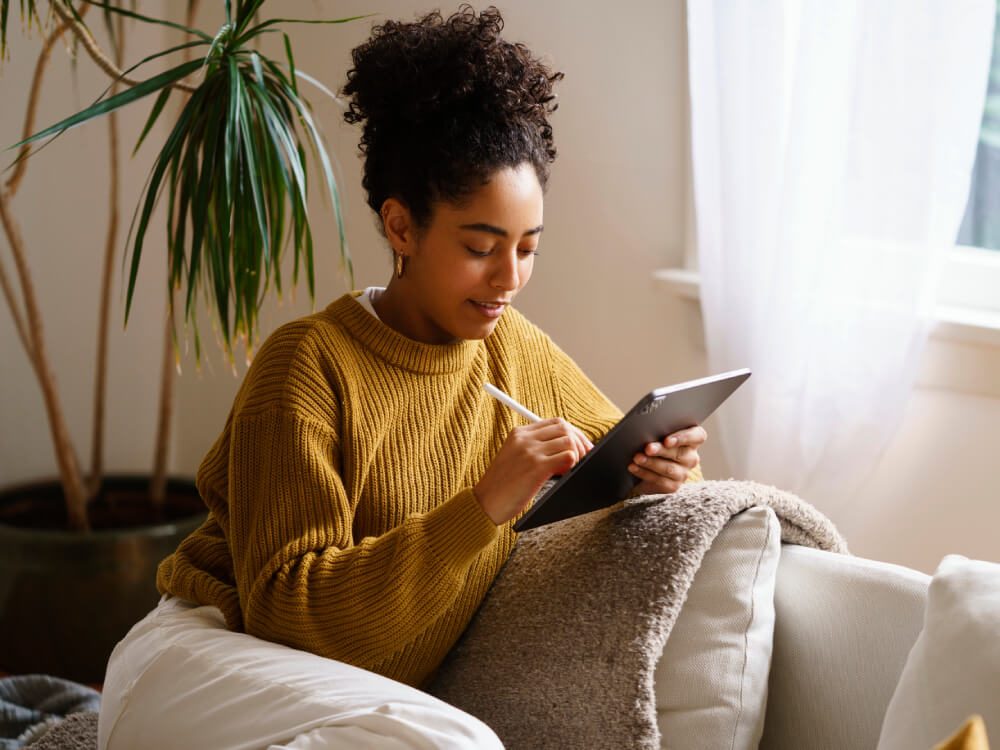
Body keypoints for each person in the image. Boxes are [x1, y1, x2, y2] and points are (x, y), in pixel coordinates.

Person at [97, 6, 707, 749]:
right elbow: (288, 613)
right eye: (482, 246)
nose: (509, 277)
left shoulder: (514, 348)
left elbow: (624, 457)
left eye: (527, 248)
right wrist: (483, 504)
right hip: (204, 663)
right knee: (456, 744)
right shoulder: (307, 365)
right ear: (401, 227)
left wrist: (664, 468)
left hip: (350, 697)